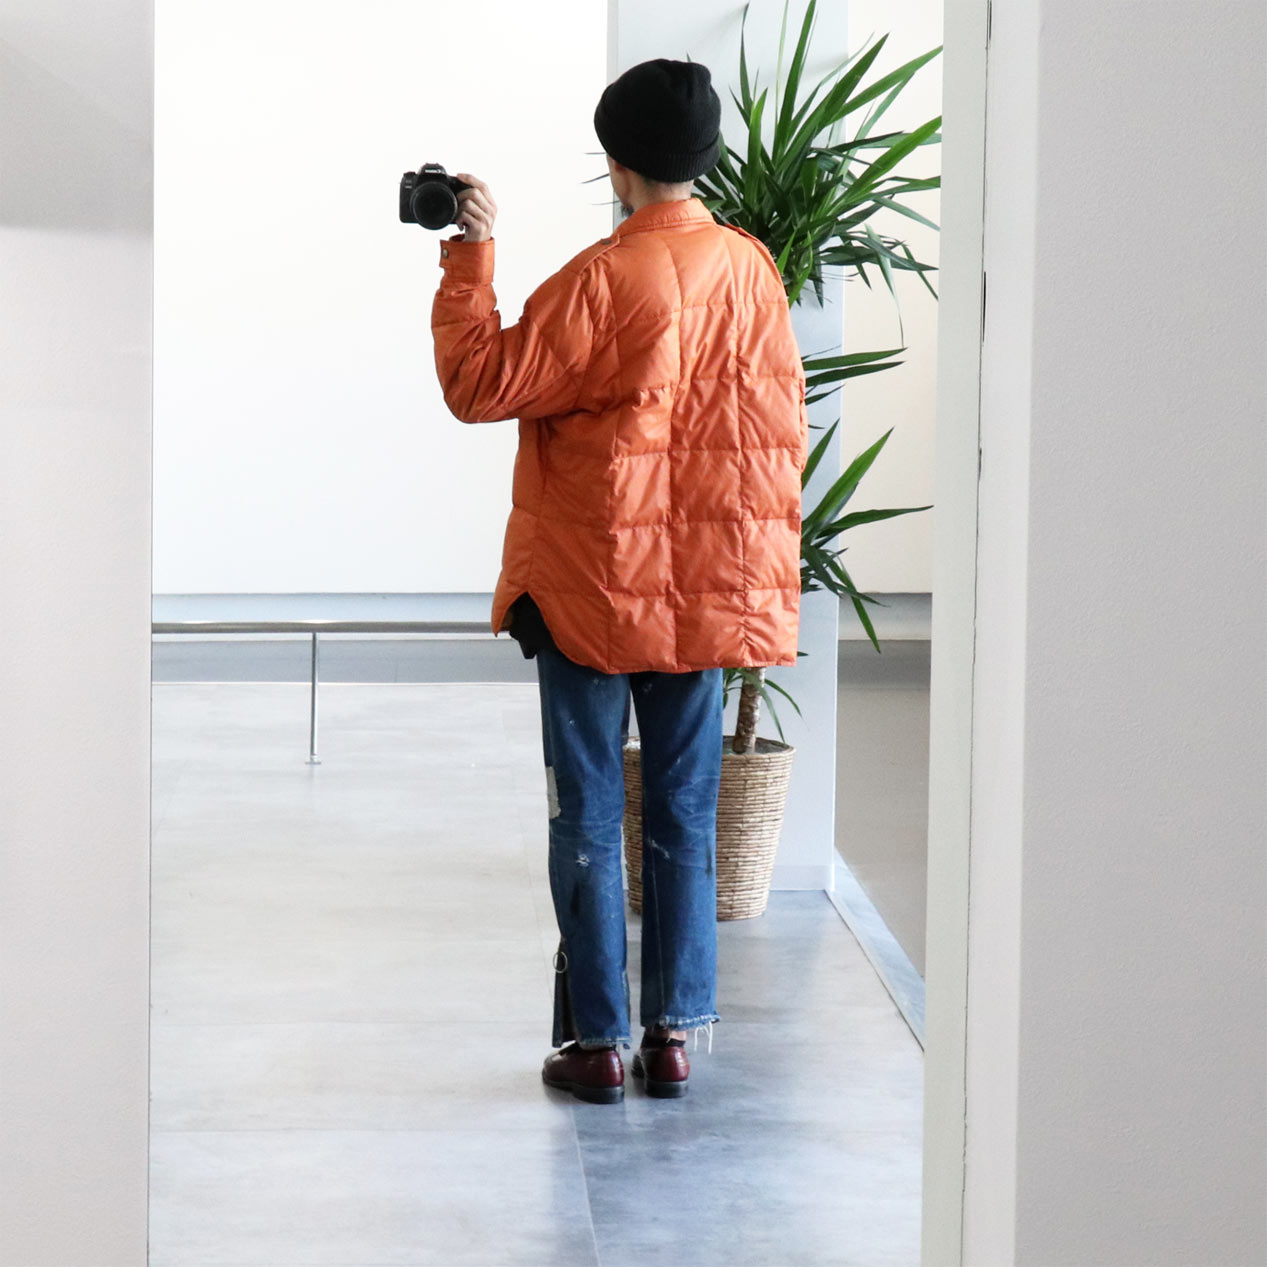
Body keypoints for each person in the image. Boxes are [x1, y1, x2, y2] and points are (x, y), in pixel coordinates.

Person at [430, 58, 807, 1103]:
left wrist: (470, 256)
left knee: (589, 813)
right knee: (683, 814)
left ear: (616, 163)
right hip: (706, 592)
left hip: (591, 591)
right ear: (704, 158)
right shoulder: (751, 270)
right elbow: (774, 431)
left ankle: (596, 1044)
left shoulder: (600, 279)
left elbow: (479, 383)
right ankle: (673, 1037)